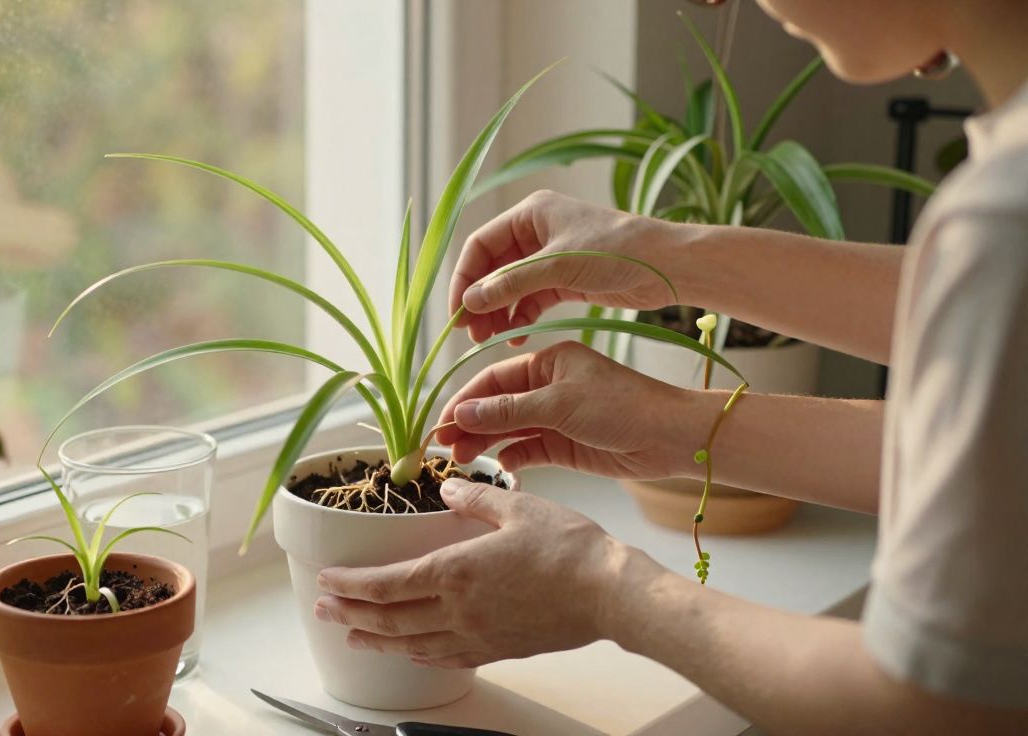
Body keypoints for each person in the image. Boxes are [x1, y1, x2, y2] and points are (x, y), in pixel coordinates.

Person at [312, 1, 1028, 732]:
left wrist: (604, 590)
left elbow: (929, 708)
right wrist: (676, 414)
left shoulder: (1004, 215)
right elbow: (1003, 439)